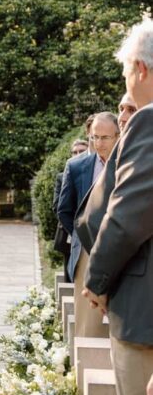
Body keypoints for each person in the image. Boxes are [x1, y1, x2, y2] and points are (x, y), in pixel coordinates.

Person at [83, 17, 153, 395]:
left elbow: (129, 214)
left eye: (128, 67)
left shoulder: (149, 121)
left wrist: (98, 280)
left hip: (144, 304)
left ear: (142, 69)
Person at [57, 112, 118, 299]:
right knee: (87, 325)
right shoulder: (75, 166)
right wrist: (82, 235)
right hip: (85, 255)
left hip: (122, 252)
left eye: (105, 138)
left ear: (118, 135)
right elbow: (64, 210)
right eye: (95, 137)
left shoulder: (130, 163)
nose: (99, 144)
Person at [52, 137, 88, 279]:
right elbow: (57, 206)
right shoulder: (62, 177)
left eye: (81, 151)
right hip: (69, 232)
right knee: (70, 276)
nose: (78, 154)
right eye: (74, 152)